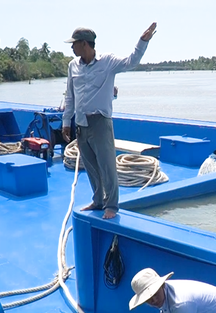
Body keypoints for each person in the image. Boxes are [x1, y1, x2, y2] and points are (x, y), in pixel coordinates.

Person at [62, 23, 157, 219]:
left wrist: (142, 42)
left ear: (85, 44)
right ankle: (98, 201)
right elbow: (69, 96)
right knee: (90, 166)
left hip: (100, 123)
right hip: (81, 124)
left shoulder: (108, 62)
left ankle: (112, 205)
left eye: (74, 44)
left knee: (107, 166)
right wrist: (66, 122)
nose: (72, 48)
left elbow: (131, 61)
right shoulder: (73, 66)